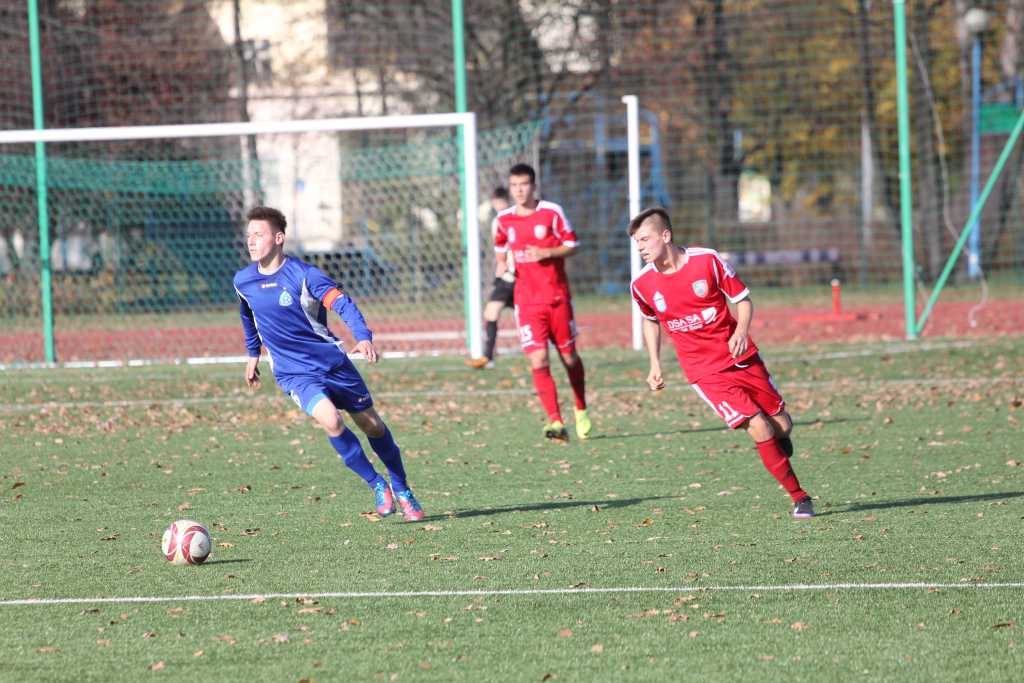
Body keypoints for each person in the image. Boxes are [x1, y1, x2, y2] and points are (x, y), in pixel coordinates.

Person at [233, 206, 424, 522]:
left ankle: (401, 486)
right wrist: (253, 354)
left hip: (333, 365)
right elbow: (247, 316)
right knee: (332, 421)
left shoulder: (306, 276)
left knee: (372, 425)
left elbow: (343, 304)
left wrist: (362, 336)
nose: (251, 241)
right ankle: (377, 484)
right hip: (294, 373)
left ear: (279, 238)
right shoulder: (243, 281)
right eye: (249, 235)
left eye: (259, 234)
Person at [627, 207, 814, 518]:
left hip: (740, 357)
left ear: (666, 235)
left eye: (645, 239)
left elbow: (742, 299)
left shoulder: (707, 261)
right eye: (637, 243)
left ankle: (780, 439)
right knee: (758, 426)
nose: (641, 248)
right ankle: (800, 496)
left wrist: (741, 331)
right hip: (704, 371)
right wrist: (655, 364)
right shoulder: (642, 284)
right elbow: (650, 319)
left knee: (781, 425)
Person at [493, 164, 591, 441]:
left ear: (533, 186)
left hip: (557, 298)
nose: (519, 190)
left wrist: (547, 252)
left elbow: (572, 244)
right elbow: (500, 250)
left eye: (524, 184)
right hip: (526, 303)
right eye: (514, 185)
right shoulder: (504, 220)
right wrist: (502, 268)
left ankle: (581, 407)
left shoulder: (551, 212)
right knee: (538, 359)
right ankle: (555, 421)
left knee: (569, 358)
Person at [466, 186, 515, 369]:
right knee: (491, 312)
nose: (498, 205)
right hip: (506, 278)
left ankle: (547, 347)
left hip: (522, 277)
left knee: (529, 318)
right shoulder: (497, 221)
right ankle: (488, 358)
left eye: (500, 201)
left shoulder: (517, 217)